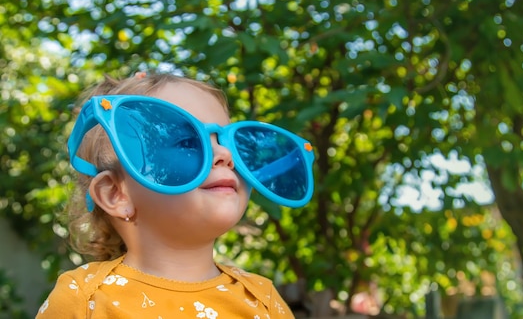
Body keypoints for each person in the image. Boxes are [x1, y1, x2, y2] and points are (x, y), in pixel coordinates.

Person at [36, 71, 315, 318]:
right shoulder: (84, 300)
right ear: (116, 194)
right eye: (187, 142)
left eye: (230, 142)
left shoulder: (262, 301)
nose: (225, 155)